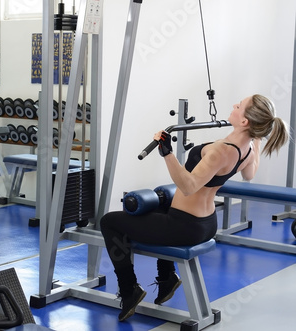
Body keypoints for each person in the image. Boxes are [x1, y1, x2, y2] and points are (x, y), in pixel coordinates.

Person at [100, 94, 289, 322]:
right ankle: (167, 277)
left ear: (245, 121)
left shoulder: (222, 151)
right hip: (206, 223)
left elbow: (189, 186)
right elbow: (249, 174)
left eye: (238, 106)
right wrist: (257, 139)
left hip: (184, 226)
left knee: (109, 221)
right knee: (160, 211)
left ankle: (129, 290)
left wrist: (167, 153)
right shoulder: (246, 148)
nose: (233, 105)